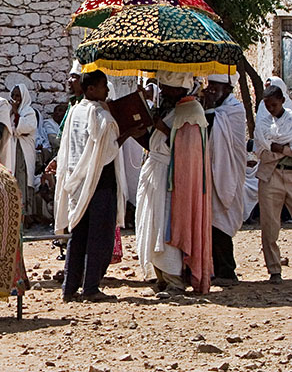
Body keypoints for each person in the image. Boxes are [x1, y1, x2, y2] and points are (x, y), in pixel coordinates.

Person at [54, 71, 136, 302]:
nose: (107, 90)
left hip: (78, 183)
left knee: (78, 236)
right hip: (100, 182)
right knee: (99, 237)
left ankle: (69, 289)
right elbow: (108, 151)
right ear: (91, 89)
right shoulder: (100, 115)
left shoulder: (76, 111)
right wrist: (128, 133)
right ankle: (90, 287)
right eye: (102, 86)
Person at [136, 71, 212, 295]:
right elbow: (154, 142)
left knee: (167, 226)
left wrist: (161, 127)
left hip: (173, 180)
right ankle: (160, 276)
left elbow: (186, 150)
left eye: (170, 89)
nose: (165, 93)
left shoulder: (192, 111)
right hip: (155, 172)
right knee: (153, 225)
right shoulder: (169, 109)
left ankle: (174, 280)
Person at [202, 72, 247, 285]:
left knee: (220, 222)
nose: (210, 89)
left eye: (216, 86)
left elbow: (217, 130)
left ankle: (227, 271)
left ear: (227, 89)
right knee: (209, 222)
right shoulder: (214, 109)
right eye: (209, 84)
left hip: (227, 171)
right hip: (211, 170)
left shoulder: (234, 110)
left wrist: (209, 110)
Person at [254, 84, 292, 284]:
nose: (271, 110)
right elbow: (260, 150)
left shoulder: (291, 119)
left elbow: (273, 148)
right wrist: (282, 148)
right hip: (271, 175)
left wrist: (279, 148)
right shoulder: (262, 124)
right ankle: (274, 269)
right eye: (267, 106)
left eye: (274, 105)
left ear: (282, 102)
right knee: (270, 226)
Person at [11, 84, 40, 219]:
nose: (15, 99)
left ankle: (25, 214)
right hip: (12, 150)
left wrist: (16, 113)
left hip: (24, 151)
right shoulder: (9, 112)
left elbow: (25, 128)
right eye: (13, 96)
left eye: (18, 96)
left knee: (23, 179)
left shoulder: (29, 112)